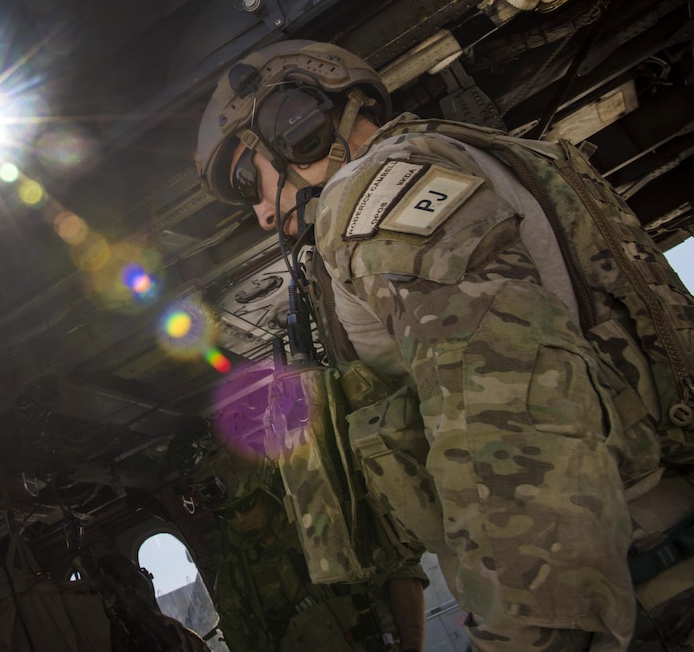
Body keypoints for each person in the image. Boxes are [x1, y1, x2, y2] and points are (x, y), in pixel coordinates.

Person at [193, 40, 694, 650]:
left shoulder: (369, 197)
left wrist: (526, 632)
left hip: (615, 593)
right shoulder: (452, 161)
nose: (264, 213)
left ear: (294, 126)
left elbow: (505, 414)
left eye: (250, 179)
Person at [189, 448, 426, 652]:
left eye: (246, 504)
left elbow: (399, 573)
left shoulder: (327, 525)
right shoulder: (235, 577)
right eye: (227, 514)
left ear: (266, 491)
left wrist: (412, 646)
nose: (240, 519)